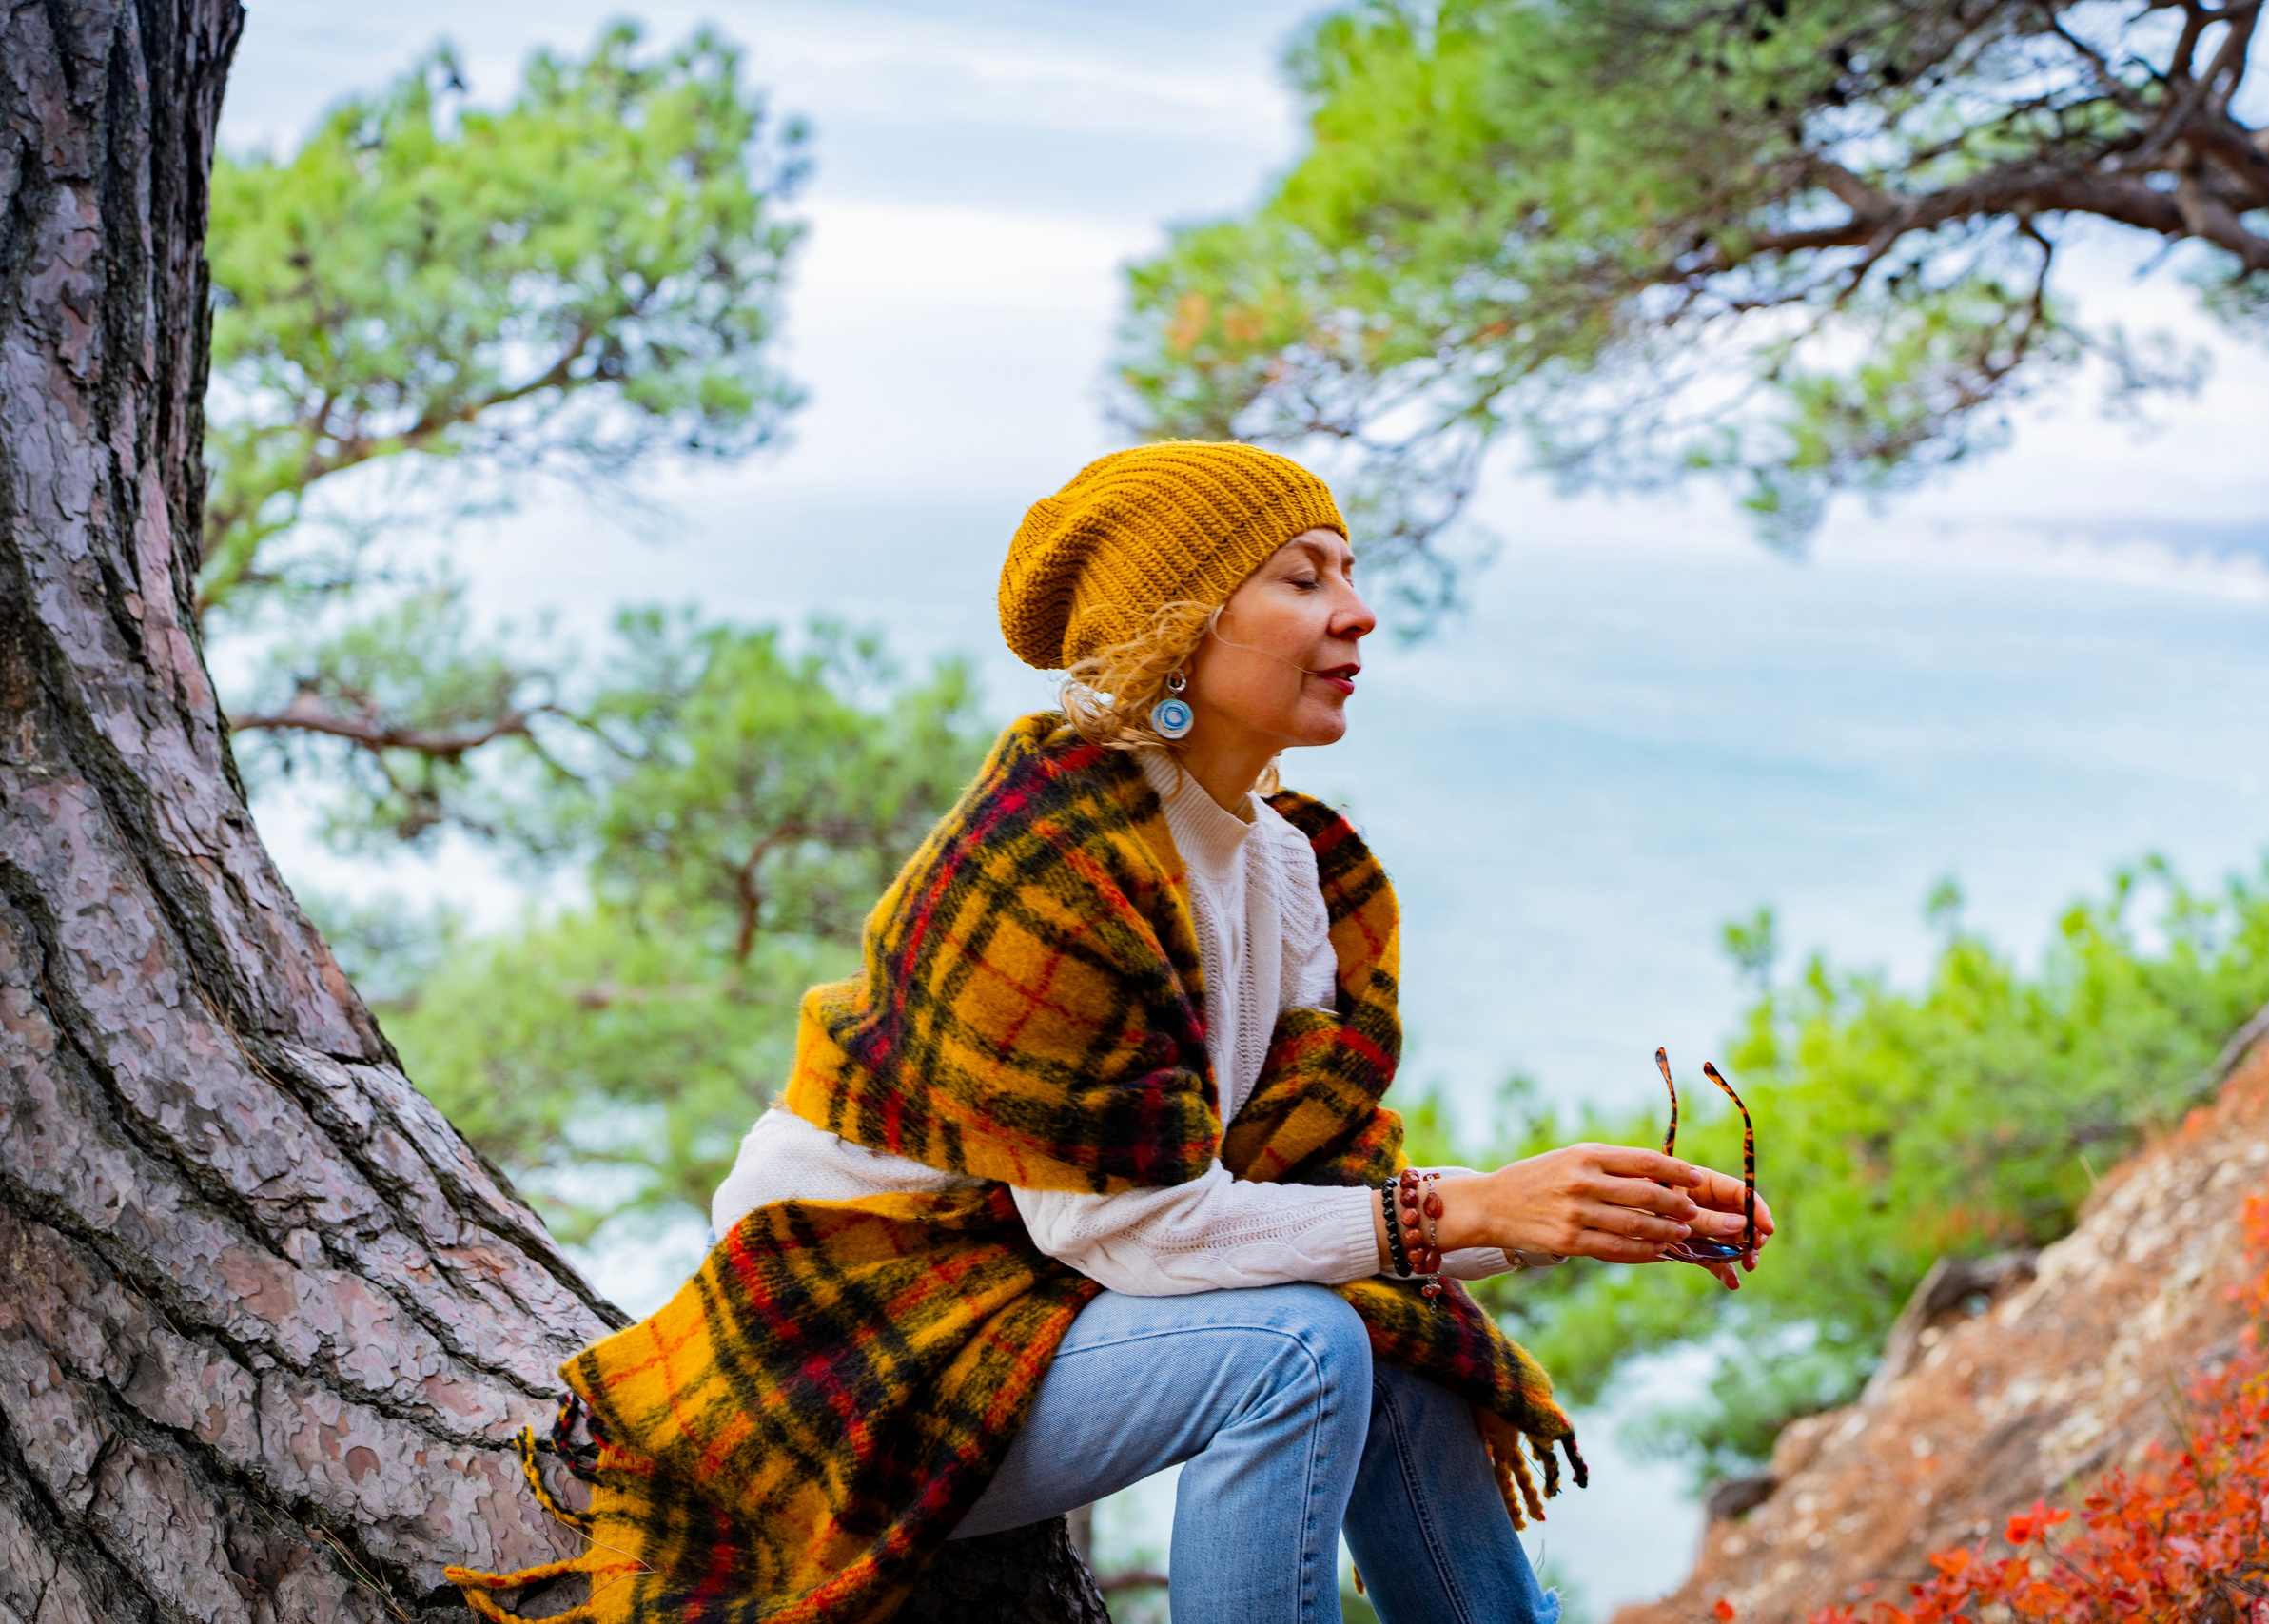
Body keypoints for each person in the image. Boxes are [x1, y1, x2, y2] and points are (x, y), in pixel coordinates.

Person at [450, 442, 1772, 1624]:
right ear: (1181, 627)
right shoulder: (1049, 852)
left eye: (1350, 573)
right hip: (862, 1338)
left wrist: (1571, 1212)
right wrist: (1465, 1210)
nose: (1358, 611)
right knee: (1301, 1351)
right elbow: (1126, 1231)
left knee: (1392, 1327)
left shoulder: (1292, 867)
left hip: (1051, 1304)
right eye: (1303, 578)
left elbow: (1309, 1198)